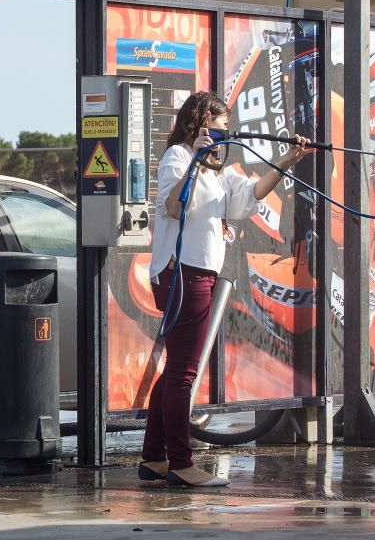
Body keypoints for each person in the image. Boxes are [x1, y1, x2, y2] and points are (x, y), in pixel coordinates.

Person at [140, 91, 312, 487]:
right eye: (218, 129)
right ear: (198, 126)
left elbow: (247, 198)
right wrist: (198, 157)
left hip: (198, 274)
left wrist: (286, 163)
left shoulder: (218, 171)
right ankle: (181, 463)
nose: (224, 136)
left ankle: (153, 458)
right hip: (181, 273)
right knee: (185, 371)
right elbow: (171, 206)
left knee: (173, 372)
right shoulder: (179, 159)